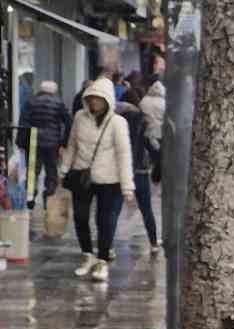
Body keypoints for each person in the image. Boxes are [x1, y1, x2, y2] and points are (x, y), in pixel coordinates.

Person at [60, 75, 134, 283]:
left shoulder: (118, 122)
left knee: (105, 221)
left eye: (98, 98)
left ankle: (102, 260)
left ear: (107, 100)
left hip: (109, 179)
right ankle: (87, 255)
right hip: (81, 175)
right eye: (91, 97)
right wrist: (63, 170)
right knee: (81, 218)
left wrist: (127, 186)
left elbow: (124, 154)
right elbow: (72, 145)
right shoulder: (79, 117)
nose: (94, 102)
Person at [118, 85, 160, 254]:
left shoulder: (113, 118)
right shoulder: (143, 120)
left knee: (112, 210)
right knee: (146, 208)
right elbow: (152, 146)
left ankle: (107, 247)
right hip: (140, 170)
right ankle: (154, 242)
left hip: (119, 170)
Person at [19, 79, 69, 206]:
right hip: (53, 142)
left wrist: (21, 141)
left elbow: (23, 122)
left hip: (34, 140)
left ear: (41, 90)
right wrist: (64, 142)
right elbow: (68, 121)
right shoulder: (59, 103)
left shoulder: (30, 101)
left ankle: (30, 197)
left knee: (32, 170)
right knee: (51, 170)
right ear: (54, 91)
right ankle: (49, 195)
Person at [139, 79, 166, 187]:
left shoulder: (144, 100)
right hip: (160, 132)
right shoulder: (164, 102)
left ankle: (152, 173)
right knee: (160, 155)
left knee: (152, 154)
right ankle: (156, 176)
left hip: (146, 131)